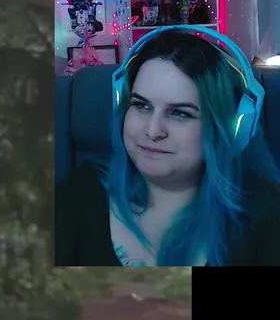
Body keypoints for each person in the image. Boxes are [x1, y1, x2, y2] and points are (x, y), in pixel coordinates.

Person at [55, 27, 280, 266]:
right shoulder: (79, 194)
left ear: (232, 129)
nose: (153, 132)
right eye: (142, 106)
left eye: (180, 113)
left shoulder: (265, 212)